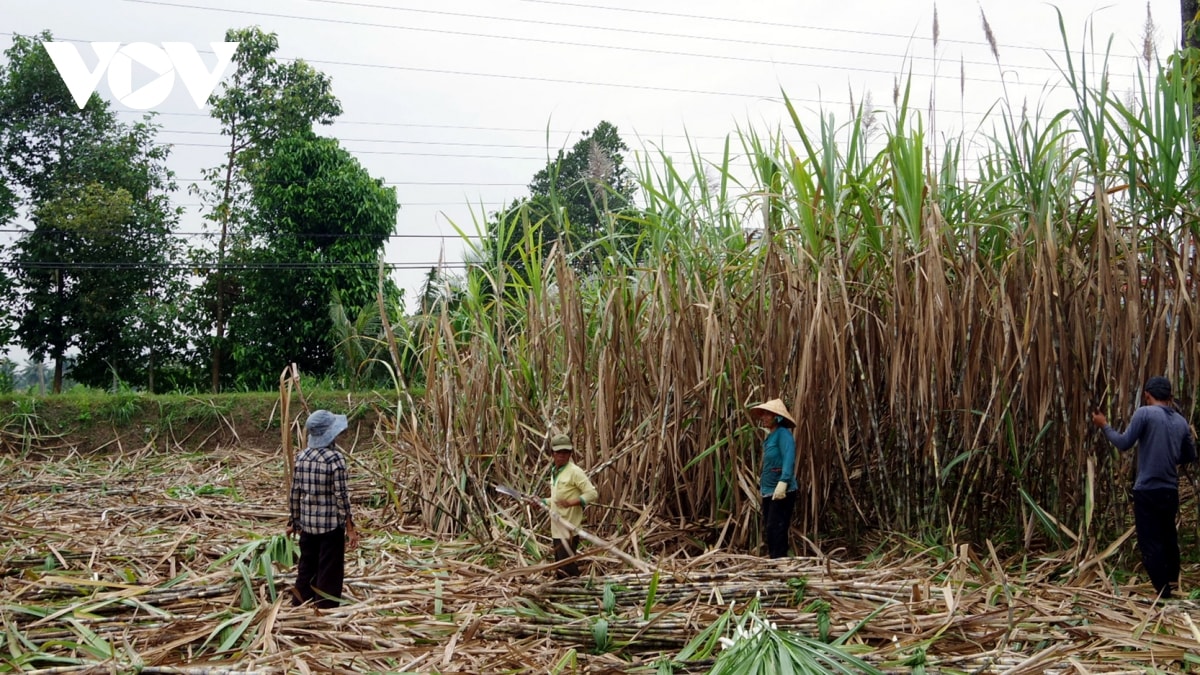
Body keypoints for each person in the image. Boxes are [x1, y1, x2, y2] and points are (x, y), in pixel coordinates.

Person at [1093, 376, 1197, 599]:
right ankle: (1172, 581)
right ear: (1170, 397)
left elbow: (1123, 443)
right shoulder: (1180, 421)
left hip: (1147, 489)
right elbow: (1191, 455)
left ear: (1147, 395)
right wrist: (1169, 455)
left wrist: (1104, 426)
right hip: (1170, 490)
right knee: (1168, 535)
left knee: (1149, 540)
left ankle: (1163, 592)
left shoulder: (1144, 413)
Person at [288, 409, 359, 608]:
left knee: (306, 566)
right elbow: (342, 497)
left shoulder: (302, 457)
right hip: (330, 527)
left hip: (308, 525)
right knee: (329, 569)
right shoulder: (335, 459)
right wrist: (350, 527)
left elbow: (295, 493)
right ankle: (325, 608)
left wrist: (294, 522)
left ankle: (300, 603)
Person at [750, 398, 799, 558]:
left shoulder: (783, 434)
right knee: (771, 527)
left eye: (767, 414)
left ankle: (779, 561)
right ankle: (775, 561)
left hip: (782, 490)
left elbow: (789, 457)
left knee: (776, 526)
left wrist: (784, 481)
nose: (763, 417)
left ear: (777, 417)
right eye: (762, 414)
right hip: (769, 490)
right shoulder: (770, 437)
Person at [545, 433, 598, 577]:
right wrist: (543, 502)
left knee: (566, 569)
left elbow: (592, 493)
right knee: (561, 568)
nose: (562, 455)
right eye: (559, 452)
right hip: (557, 528)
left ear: (570, 453)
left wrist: (571, 503)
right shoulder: (555, 472)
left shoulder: (575, 472)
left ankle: (578, 594)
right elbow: (556, 500)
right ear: (552, 453)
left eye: (566, 452)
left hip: (569, 529)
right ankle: (567, 594)